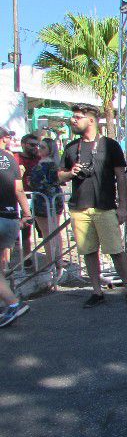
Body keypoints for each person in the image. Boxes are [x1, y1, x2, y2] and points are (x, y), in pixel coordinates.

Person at [57, 104, 127, 308]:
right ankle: (97, 292)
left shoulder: (110, 145)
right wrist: (70, 173)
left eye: (77, 117)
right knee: (89, 252)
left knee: (115, 250)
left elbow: (121, 178)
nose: (73, 120)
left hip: (105, 207)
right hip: (80, 208)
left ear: (91, 120)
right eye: (73, 117)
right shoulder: (71, 148)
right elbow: (59, 176)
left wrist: (123, 207)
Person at [0, 127, 32, 327]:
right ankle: (8, 301)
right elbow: (19, 189)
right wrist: (27, 213)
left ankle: (12, 303)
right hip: (10, 218)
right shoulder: (11, 159)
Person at [29, 138, 65, 275]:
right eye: (39, 146)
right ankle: (56, 262)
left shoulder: (48, 165)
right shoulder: (49, 164)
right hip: (47, 198)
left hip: (46, 200)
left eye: (43, 147)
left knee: (49, 232)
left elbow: (40, 182)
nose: (39, 149)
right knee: (52, 231)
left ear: (50, 149)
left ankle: (53, 263)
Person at [15, 134, 40, 266]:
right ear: (23, 144)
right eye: (31, 145)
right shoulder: (16, 158)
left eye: (37, 145)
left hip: (38, 198)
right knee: (25, 230)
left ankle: (53, 259)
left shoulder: (39, 158)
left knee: (43, 229)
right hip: (22, 198)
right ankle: (26, 258)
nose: (35, 148)